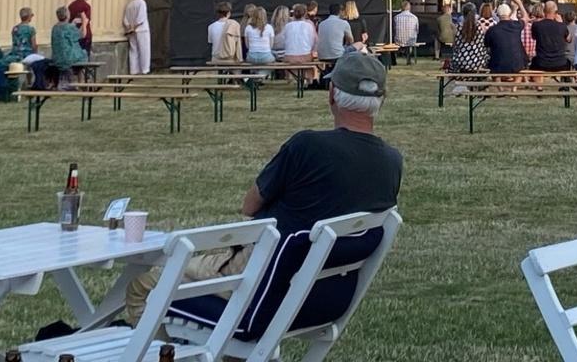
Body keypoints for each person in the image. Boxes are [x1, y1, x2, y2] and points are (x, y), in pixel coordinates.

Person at [121, 51, 403, 327]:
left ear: (331, 94)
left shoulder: (307, 146)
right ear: (382, 100)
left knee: (144, 287)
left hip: (260, 278)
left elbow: (250, 206)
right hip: (322, 298)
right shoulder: (392, 162)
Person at [9, 7, 48, 90]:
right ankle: (30, 82)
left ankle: (16, 83)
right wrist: (35, 52)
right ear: (29, 17)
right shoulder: (31, 29)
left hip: (15, 53)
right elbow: (33, 44)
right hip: (27, 54)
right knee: (39, 61)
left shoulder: (15, 28)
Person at [485, 3, 529, 74]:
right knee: (521, 69)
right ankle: (515, 85)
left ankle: (498, 84)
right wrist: (520, 3)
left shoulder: (492, 30)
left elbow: (486, 45)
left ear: (498, 15)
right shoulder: (516, 25)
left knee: (494, 64)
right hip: (516, 64)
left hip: (497, 65)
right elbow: (526, 18)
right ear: (509, 13)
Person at [50, 6, 87, 88]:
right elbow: (83, 35)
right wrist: (84, 23)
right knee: (83, 53)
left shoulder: (55, 28)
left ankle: (78, 82)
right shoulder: (70, 27)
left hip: (56, 57)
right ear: (67, 15)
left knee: (77, 52)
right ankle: (81, 82)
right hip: (68, 57)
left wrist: (73, 23)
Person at [530, 2, 572, 74]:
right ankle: (565, 84)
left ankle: (537, 85)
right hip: (560, 64)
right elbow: (569, 39)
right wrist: (561, 23)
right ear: (556, 12)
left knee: (534, 62)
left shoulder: (536, 25)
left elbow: (534, 37)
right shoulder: (562, 26)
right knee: (568, 62)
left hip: (541, 63)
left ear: (544, 11)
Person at [282, 4, 319, 83]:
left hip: (289, 57)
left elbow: (284, 41)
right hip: (305, 56)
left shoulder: (287, 26)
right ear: (305, 13)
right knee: (311, 59)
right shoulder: (309, 25)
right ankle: (309, 80)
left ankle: (293, 78)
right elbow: (315, 41)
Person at [449, 3, 490, 72]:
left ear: (463, 13)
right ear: (475, 14)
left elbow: (455, 46)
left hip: (461, 65)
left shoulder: (457, 28)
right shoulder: (481, 27)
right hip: (478, 65)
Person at [123, 0, 152, 75]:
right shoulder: (142, 3)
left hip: (131, 31)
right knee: (144, 50)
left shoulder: (129, 4)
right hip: (142, 30)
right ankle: (144, 69)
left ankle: (134, 70)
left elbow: (125, 19)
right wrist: (134, 27)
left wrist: (129, 28)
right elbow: (141, 18)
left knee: (133, 50)